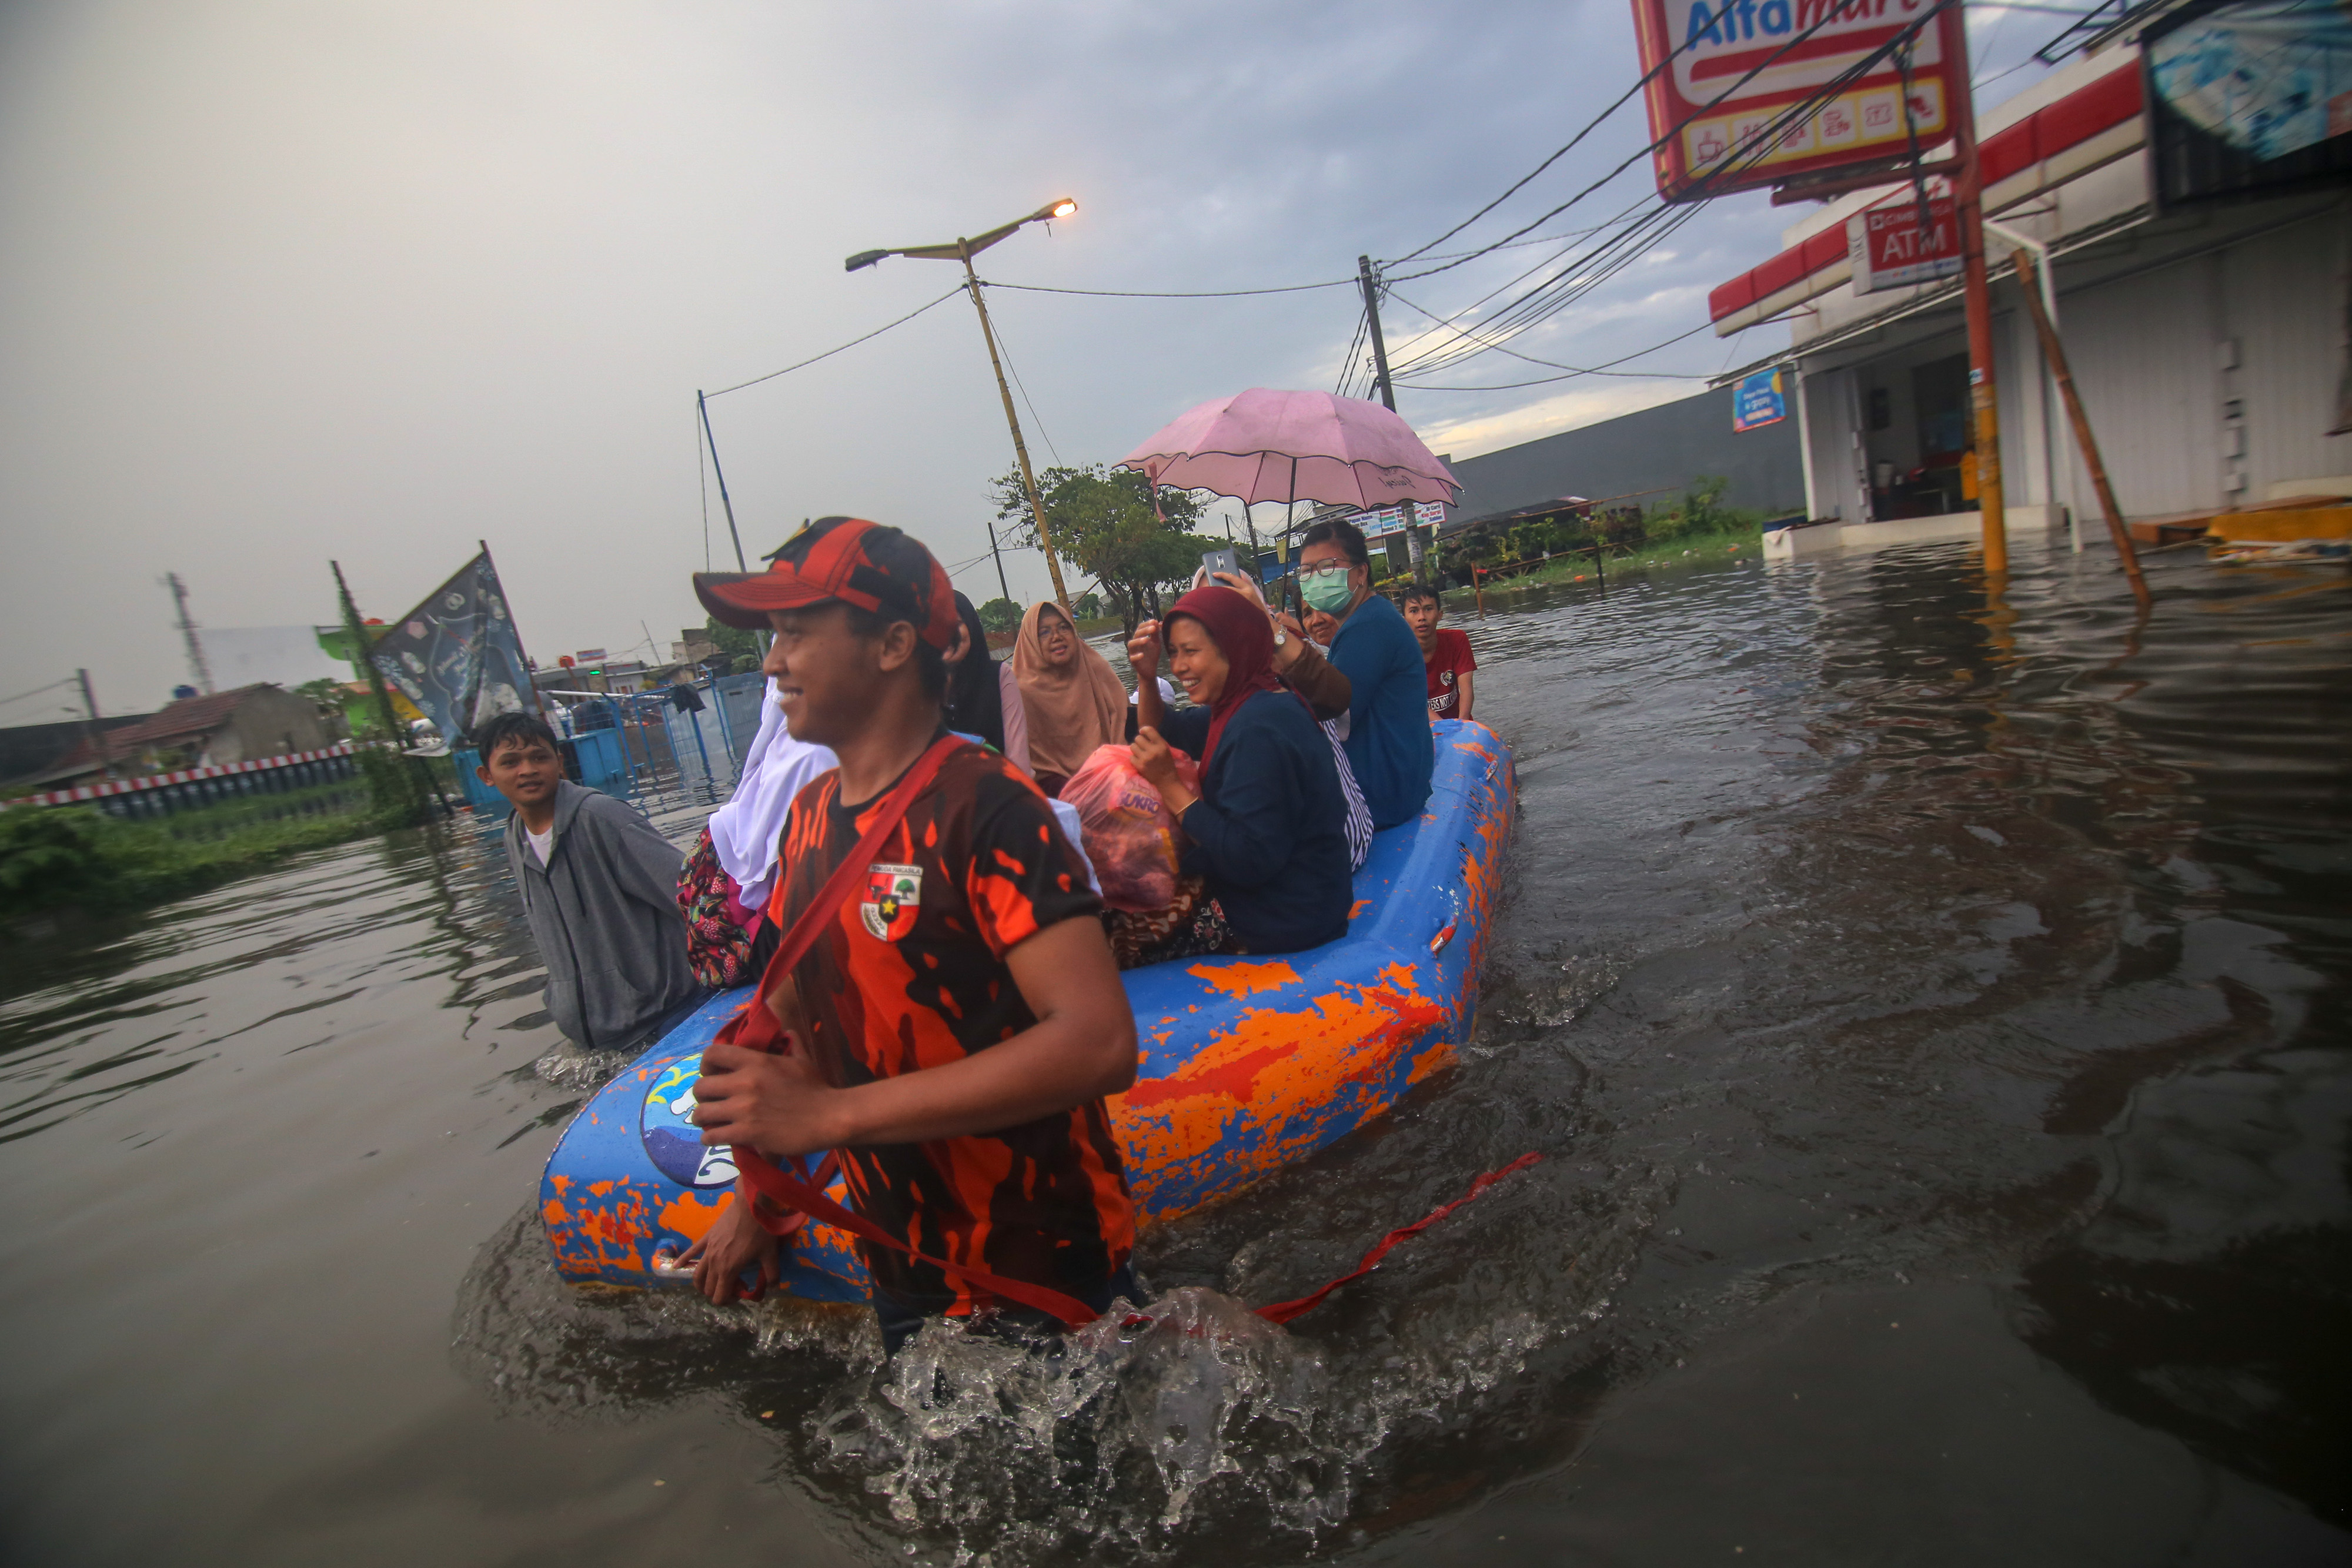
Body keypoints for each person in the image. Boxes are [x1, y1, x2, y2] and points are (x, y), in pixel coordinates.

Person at [680, 517, 1141, 1353]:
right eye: (772, 636)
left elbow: (1102, 1042)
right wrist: (760, 1199)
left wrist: (832, 1116)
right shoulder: (810, 819)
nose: (772, 661)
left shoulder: (987, 808)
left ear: (893, 644)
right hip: (901, 1259)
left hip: (1041, 1260)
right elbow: (808, 1015)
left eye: (794, 632)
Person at [1121, 584, 1353, 964]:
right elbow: (1162, 734)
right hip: (1299, 894)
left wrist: (1170, 786)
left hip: (1286, 914)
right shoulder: (1246, 700)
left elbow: (1249, 860)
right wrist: (1147, 680)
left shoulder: (1258, 729)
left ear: (1233, 647)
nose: (1179, 667)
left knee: (1113, 923)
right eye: (1174, 653)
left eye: (1191, 652)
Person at [473, 711, 704, 1054]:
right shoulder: (514, 837)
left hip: (669, 1018)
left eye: (540, 757)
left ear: (560, 762)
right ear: (487, 776)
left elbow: (692, 894)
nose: (528, 770)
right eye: (510, 762)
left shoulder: (600, 818)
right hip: (596, 1034)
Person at [679, 667, 838, 986]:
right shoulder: (818, 756)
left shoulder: (781, 753)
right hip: (776, 931)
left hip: (758, 934)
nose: (773, 664)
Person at [1295, 517, 1435, 829]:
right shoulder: (1366, 619)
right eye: (1306, 571)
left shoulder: (1369, 626)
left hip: (1383, 796)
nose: (1316, 578)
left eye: (1328, 567)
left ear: (1360, 573)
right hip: (1399, 783)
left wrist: (1279, 642)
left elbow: (1335, 718)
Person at [1011, 599, 1128, 795]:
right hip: (1058, 797)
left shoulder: (1096, 669)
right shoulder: (1021, 693)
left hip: (1117, 777)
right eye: (1044, 632)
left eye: (1064, 628)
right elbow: (1034, 768)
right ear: (1031, 641)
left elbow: (1127, 725)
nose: (1057, 637)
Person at [942, 591, 1028, 774]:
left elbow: (1019, 761)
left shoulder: (999, 677)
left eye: (956, 624)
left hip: (1001, 791)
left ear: (971, 626)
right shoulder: (915, 690)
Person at [1402, 583, 1477, 722]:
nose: (1421, 617)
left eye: (1428, 609)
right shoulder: (1399, 654)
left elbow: (1466, 688)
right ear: (1404, 619)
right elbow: (1416, 702)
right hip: (1421, 728)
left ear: (1440, 614)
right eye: (1414, 611)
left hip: (1461, 723)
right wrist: (1446, 730)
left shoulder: (1457, 640)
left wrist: (1462, 724)